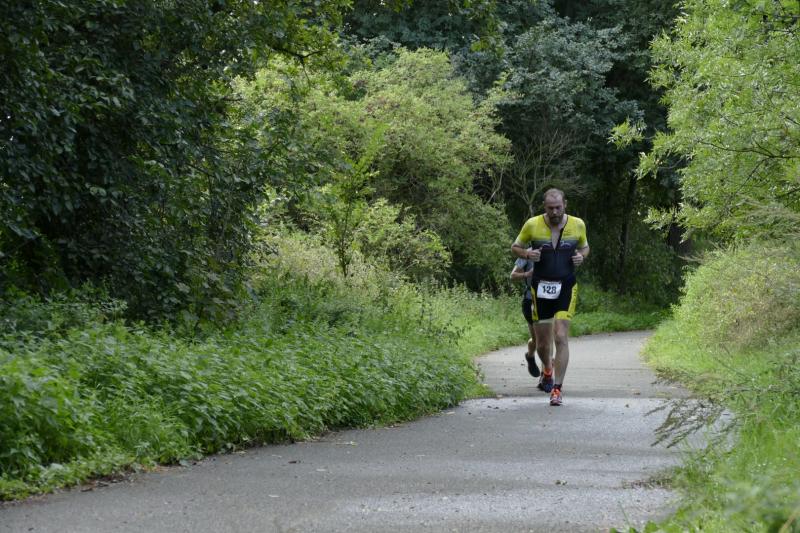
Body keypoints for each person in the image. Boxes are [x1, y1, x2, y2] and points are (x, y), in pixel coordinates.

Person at [511, 188, 589, 406]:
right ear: (544, 207)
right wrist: (527, 253)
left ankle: (557, 388)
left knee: (561, 336)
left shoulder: (578, 224)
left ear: (565, 204)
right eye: (550, 208)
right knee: (543, 344)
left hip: (566, 286)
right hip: (540, 288)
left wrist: (581, 257)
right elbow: (515, 247)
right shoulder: (532, 224)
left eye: (558, 207)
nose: (554, 212)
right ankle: (547, 369)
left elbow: (585, 247)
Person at [510, 248, 540, 379]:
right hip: (530, 300)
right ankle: (530, 355)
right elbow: (513, 275)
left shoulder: (555, 250)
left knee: (548, 339)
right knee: (538, 339)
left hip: (551, 300)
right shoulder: (528, 253)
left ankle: (546, 375)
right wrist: (528, 274)